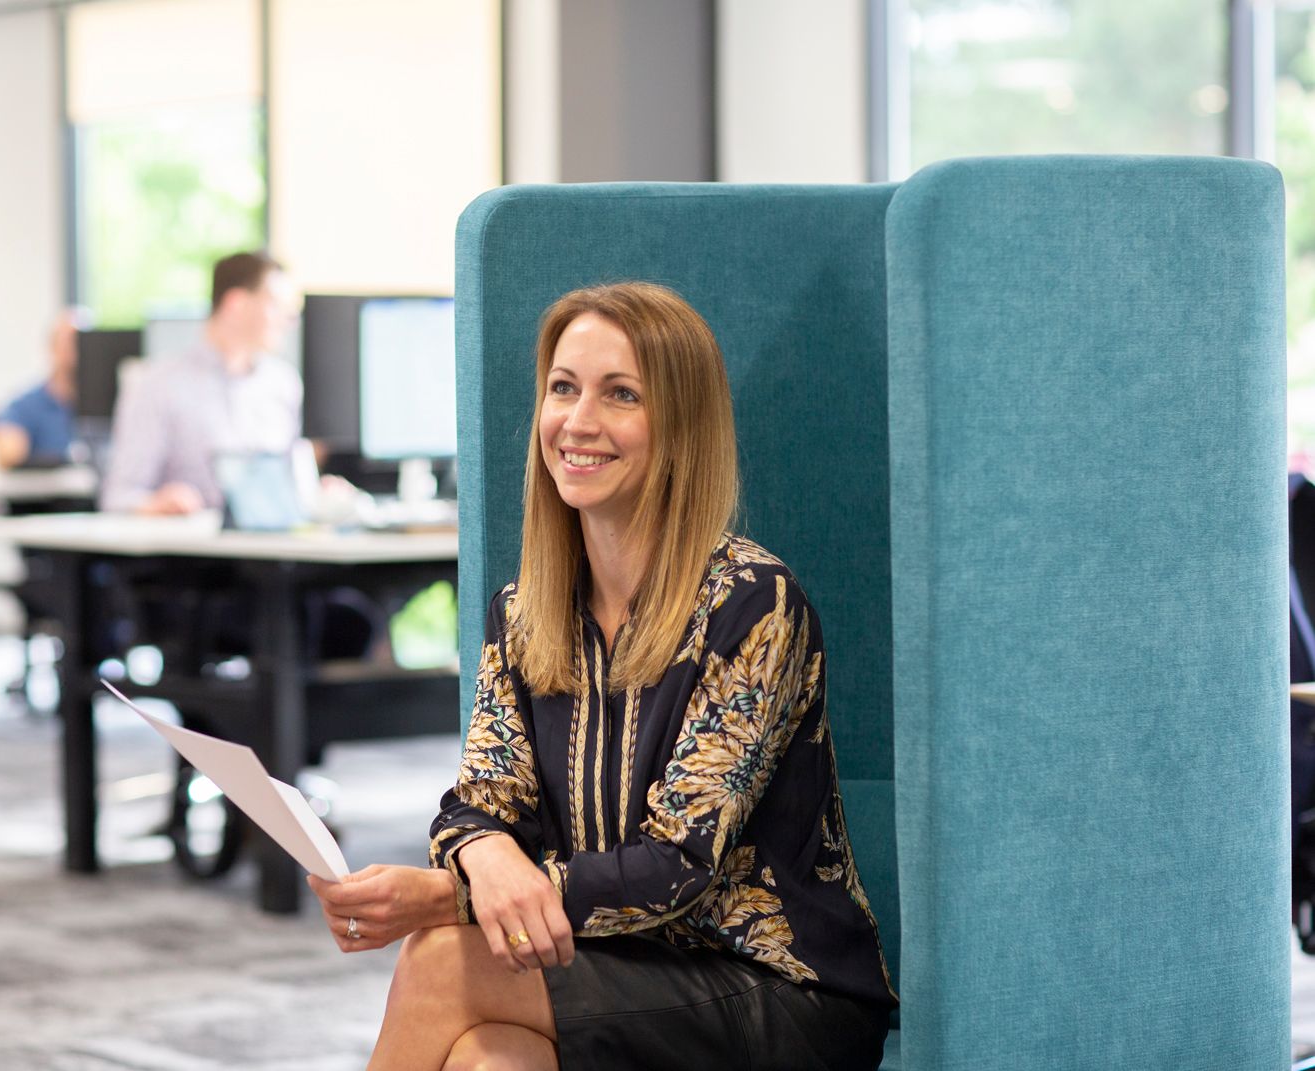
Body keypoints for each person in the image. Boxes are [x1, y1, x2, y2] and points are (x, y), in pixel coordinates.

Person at [308, 282, 897, 1070]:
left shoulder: (753, 606)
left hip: (779, 988)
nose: (578, 422)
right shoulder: (524, 612)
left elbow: (678, 867)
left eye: (621, 394)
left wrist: (449, 897)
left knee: (441, 962)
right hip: (619, 969)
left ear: (680, 428)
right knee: (490, 1058)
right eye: (563, 388)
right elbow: (476, 809)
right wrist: (482, 860)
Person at [99, 250, 302, 514]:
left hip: (276, 546)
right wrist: (156, 504)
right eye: (276, 305)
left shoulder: (283, 384)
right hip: (194, 551)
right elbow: (117, 497)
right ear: (235, 303)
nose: (290, 320)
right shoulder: (159, 385)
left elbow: (291, 488)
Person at [0, 309, 85, 469]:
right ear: (53, 347)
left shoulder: (115, 405)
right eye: (70, 342)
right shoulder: (26, 406)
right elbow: (7, 452)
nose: (76, 351)